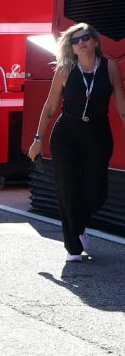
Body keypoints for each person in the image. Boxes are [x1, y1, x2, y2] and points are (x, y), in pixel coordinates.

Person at [29, 23, 125, 261]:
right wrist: (38, 139)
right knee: (67, 187)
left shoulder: (110, 66)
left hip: (98, 134)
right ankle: (73, 246)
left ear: (94, 41)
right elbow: (50, 106)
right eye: (74, 40)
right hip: (67, 134)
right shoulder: (65, 69)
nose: (80, 42)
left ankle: (78, 223)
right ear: (70, 47)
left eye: (85, 37)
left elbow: (121, 104)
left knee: (96, 192)